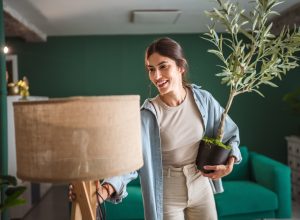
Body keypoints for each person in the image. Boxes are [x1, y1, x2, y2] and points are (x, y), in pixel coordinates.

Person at [69, 37, 241, 220]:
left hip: (201, 187)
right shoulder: (148, 115)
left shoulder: (203, 100)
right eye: (151, 70)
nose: (156, 76)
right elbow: (130, 161)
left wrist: (229, 163)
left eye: (163, 66)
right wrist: (104, 189)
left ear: (181, 67)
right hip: (167, 195)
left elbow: (230, 133)